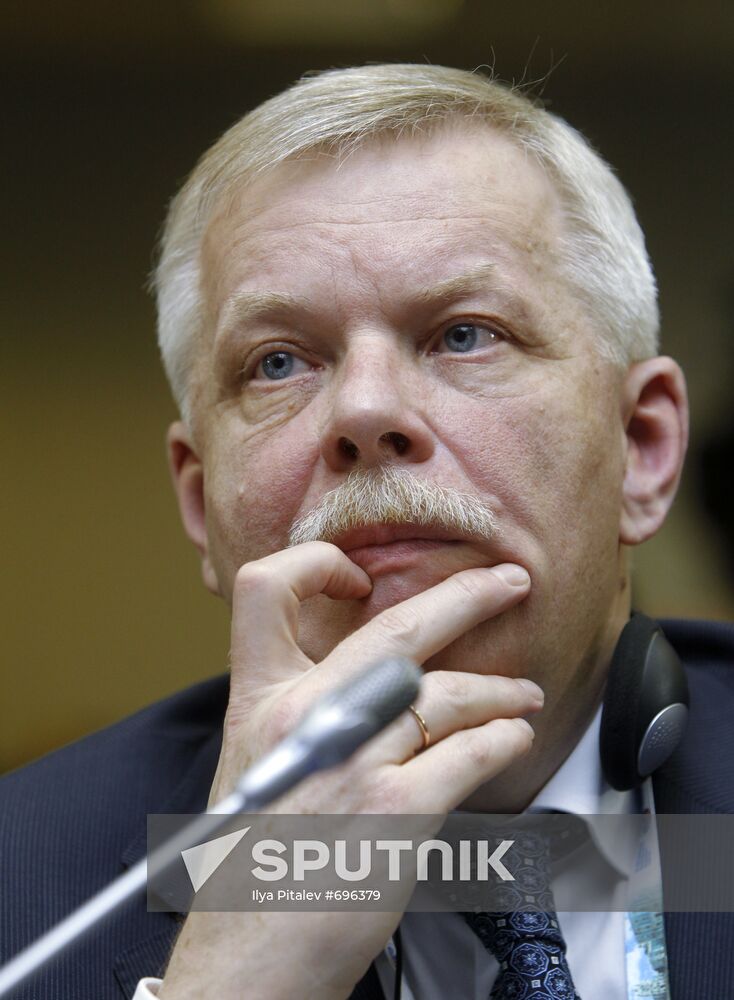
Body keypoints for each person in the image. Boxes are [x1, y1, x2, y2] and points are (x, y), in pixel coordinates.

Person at [1, 63, 732, 1000]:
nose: (366, 409)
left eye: (465, 334)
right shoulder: (25, 881)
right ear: (200, 503)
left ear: (644, 448)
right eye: (277, 361)